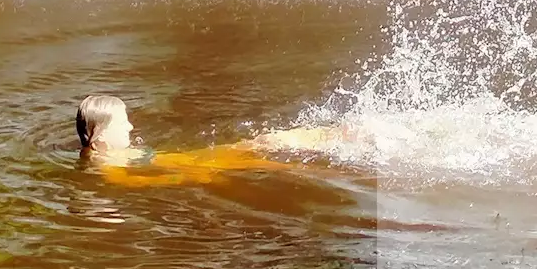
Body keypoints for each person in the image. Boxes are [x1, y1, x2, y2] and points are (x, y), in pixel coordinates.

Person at [75, 94, 352, 187]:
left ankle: (337, 136)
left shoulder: (104, 156)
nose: (131, 126)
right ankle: (336, 145)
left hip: (197, 160)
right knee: (263, 156)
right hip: (198, 164)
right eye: (123, 124)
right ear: (99, 138)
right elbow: (147, 182)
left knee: (263, 145)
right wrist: (193, 177)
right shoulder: (108, 169)